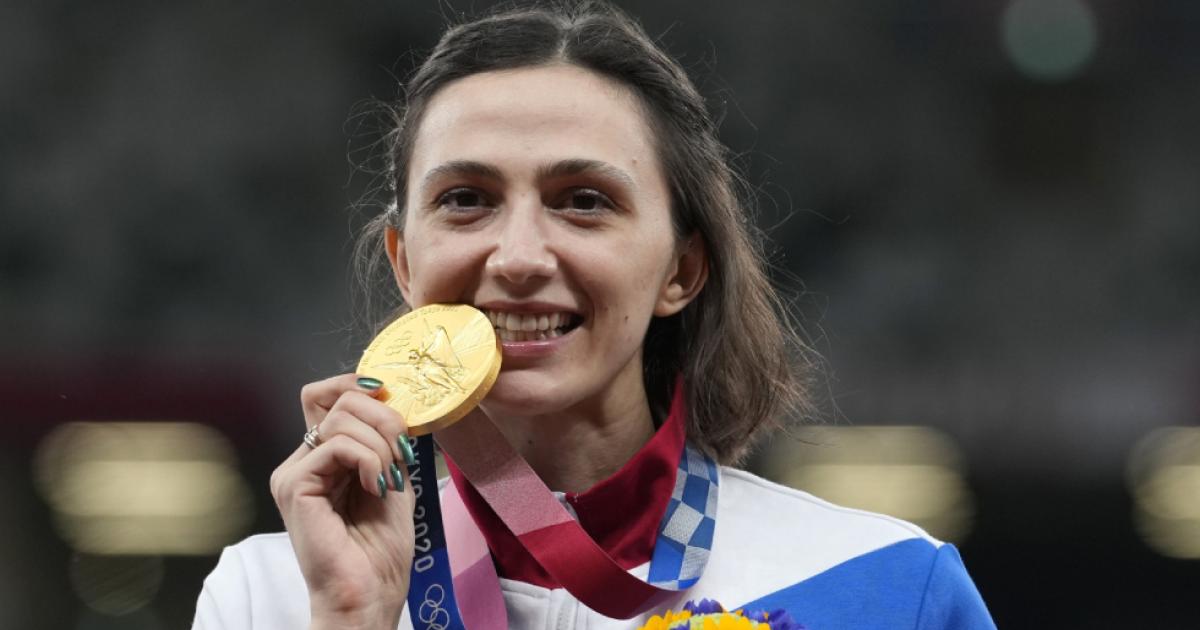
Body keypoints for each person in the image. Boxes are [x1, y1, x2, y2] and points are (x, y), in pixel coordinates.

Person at [193, 2, 996, 628]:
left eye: (583, 201)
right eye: (466, 199)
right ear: (405, 265)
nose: (518, 257)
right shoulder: (271, 595)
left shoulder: (884, 589)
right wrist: (350, 619)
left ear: (682, 269)